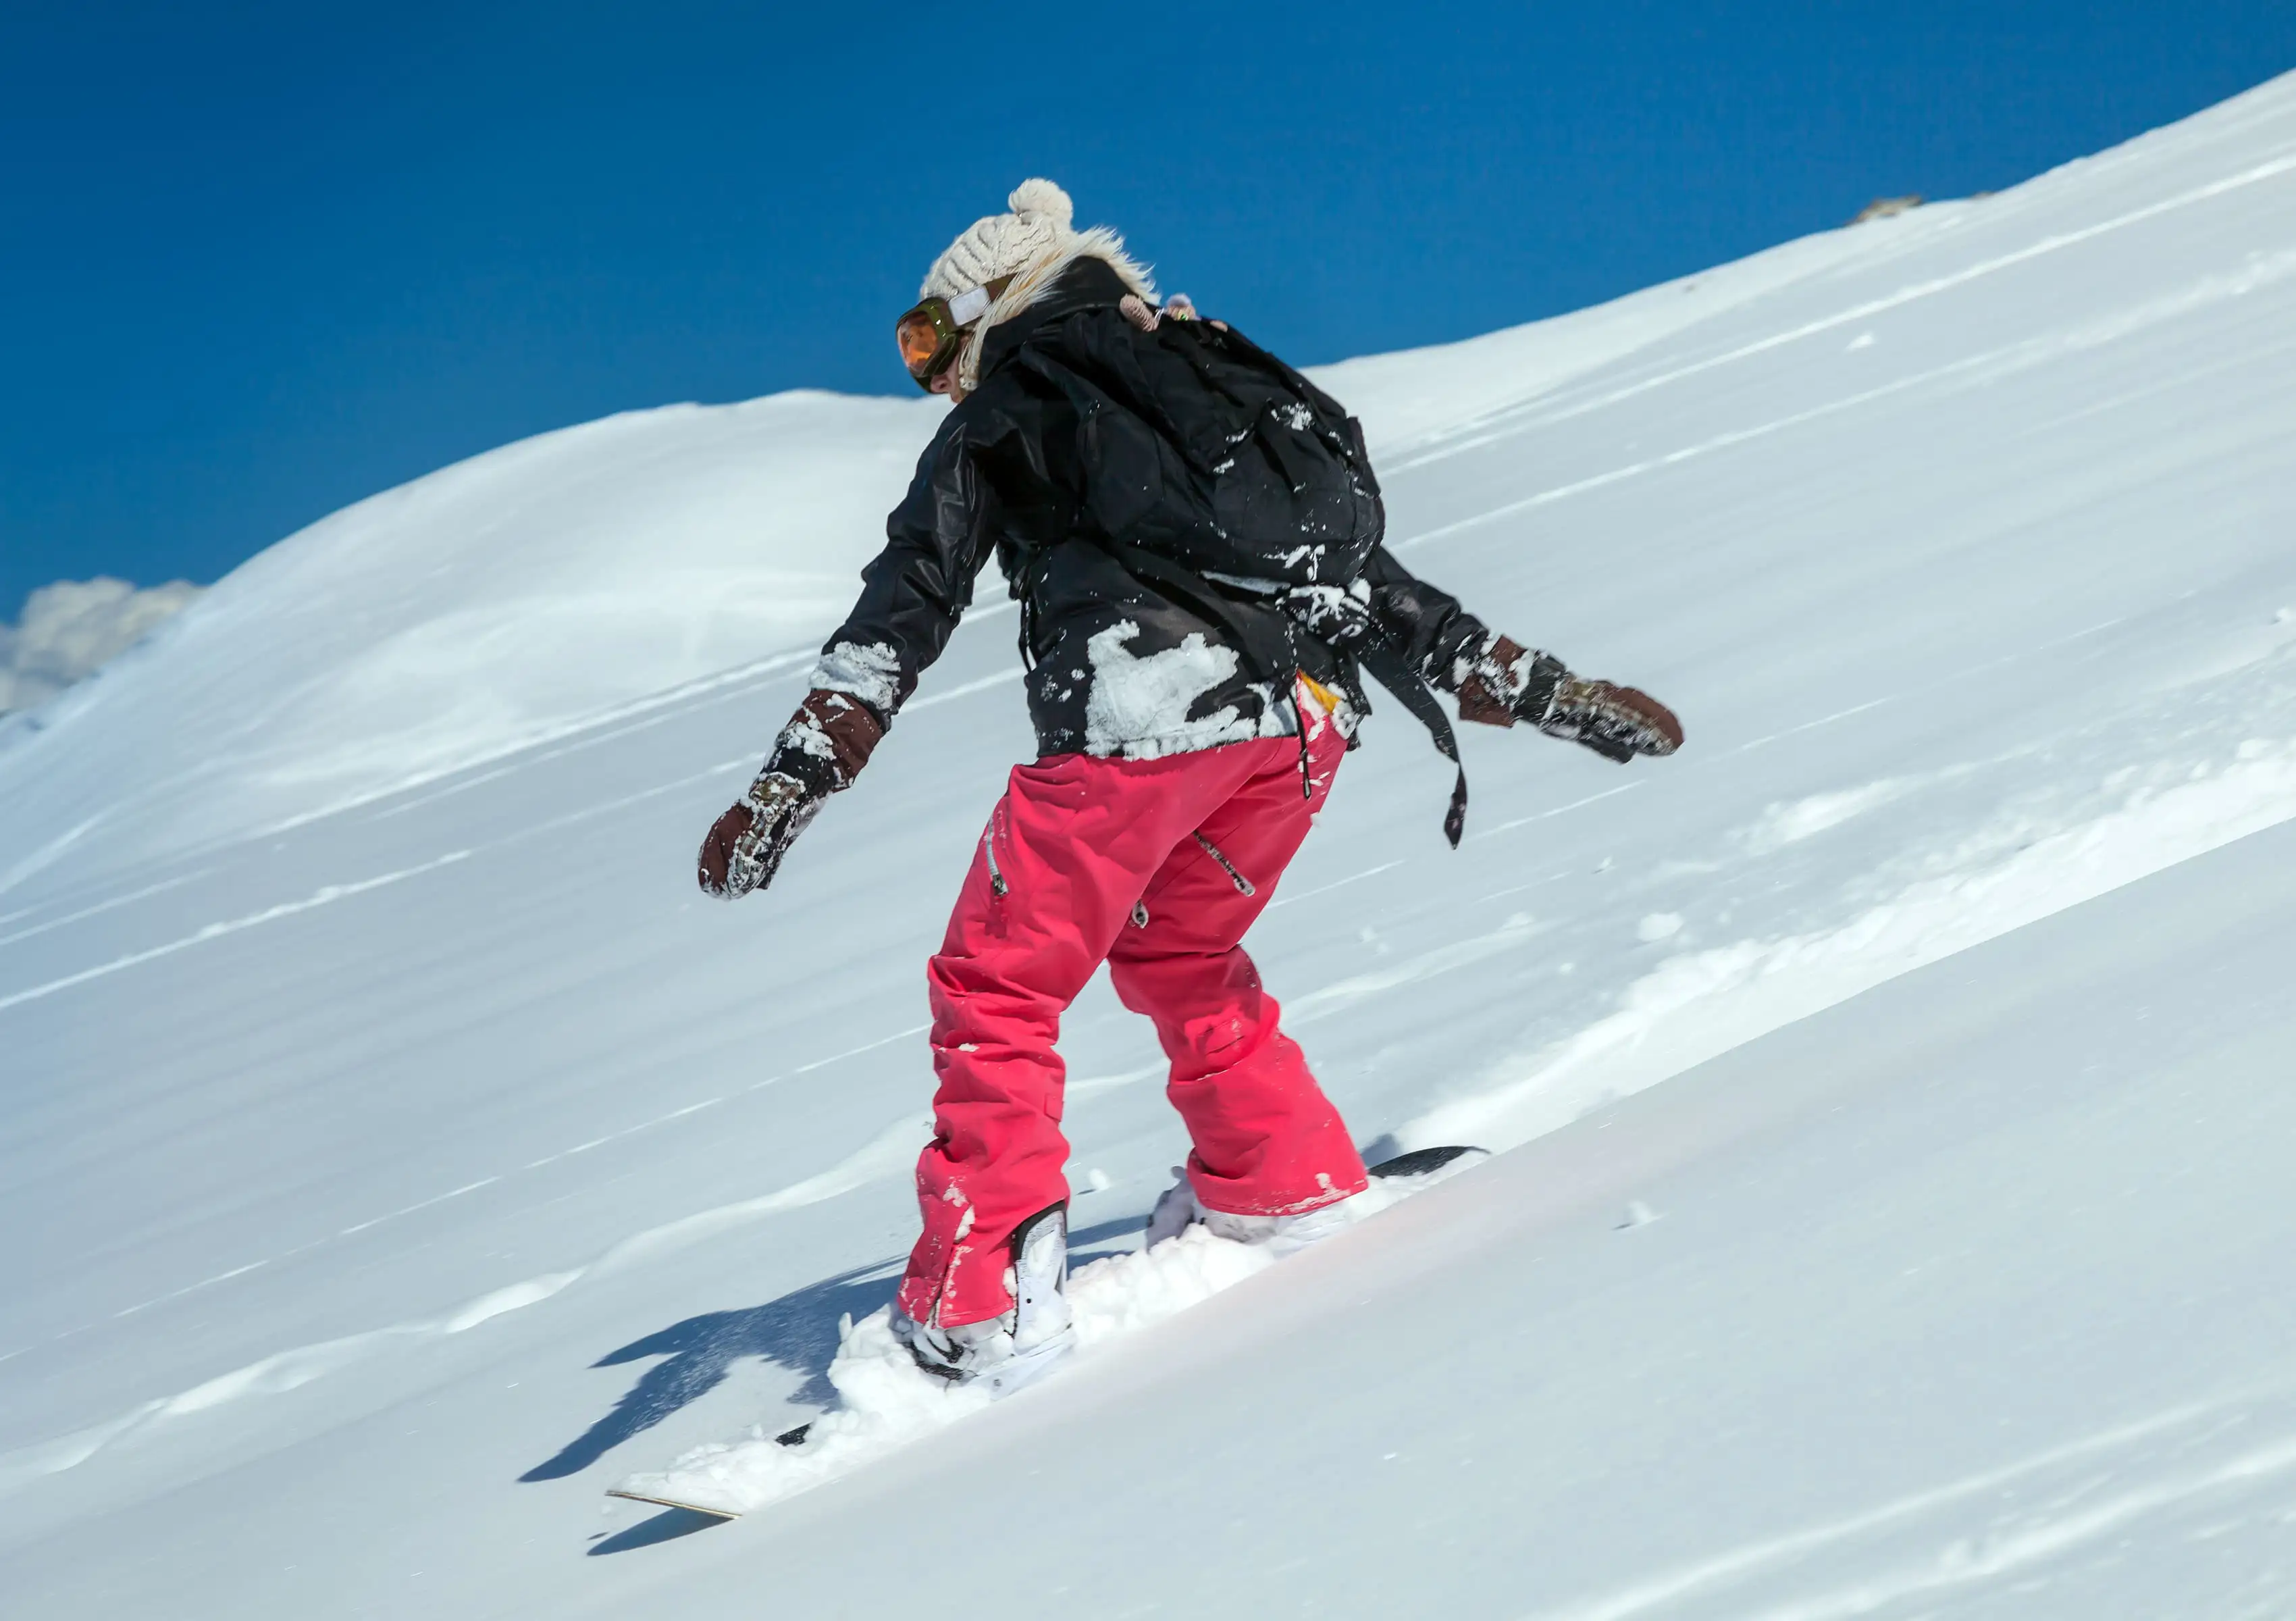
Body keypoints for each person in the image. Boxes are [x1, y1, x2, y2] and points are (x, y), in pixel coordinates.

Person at [697, 180, 1681, 1392]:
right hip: (1298, 738)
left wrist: (794, 779)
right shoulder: (1201, 383)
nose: (932, 374)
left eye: (930, 339)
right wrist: (1542, 690)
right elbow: (1366, 584)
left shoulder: (1015, 404)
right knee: (1179, 953)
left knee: (998, 984)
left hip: (1140, 729)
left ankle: (985, 1298)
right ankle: (1285, 1179)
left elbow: (904, 607)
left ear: (989, 309)